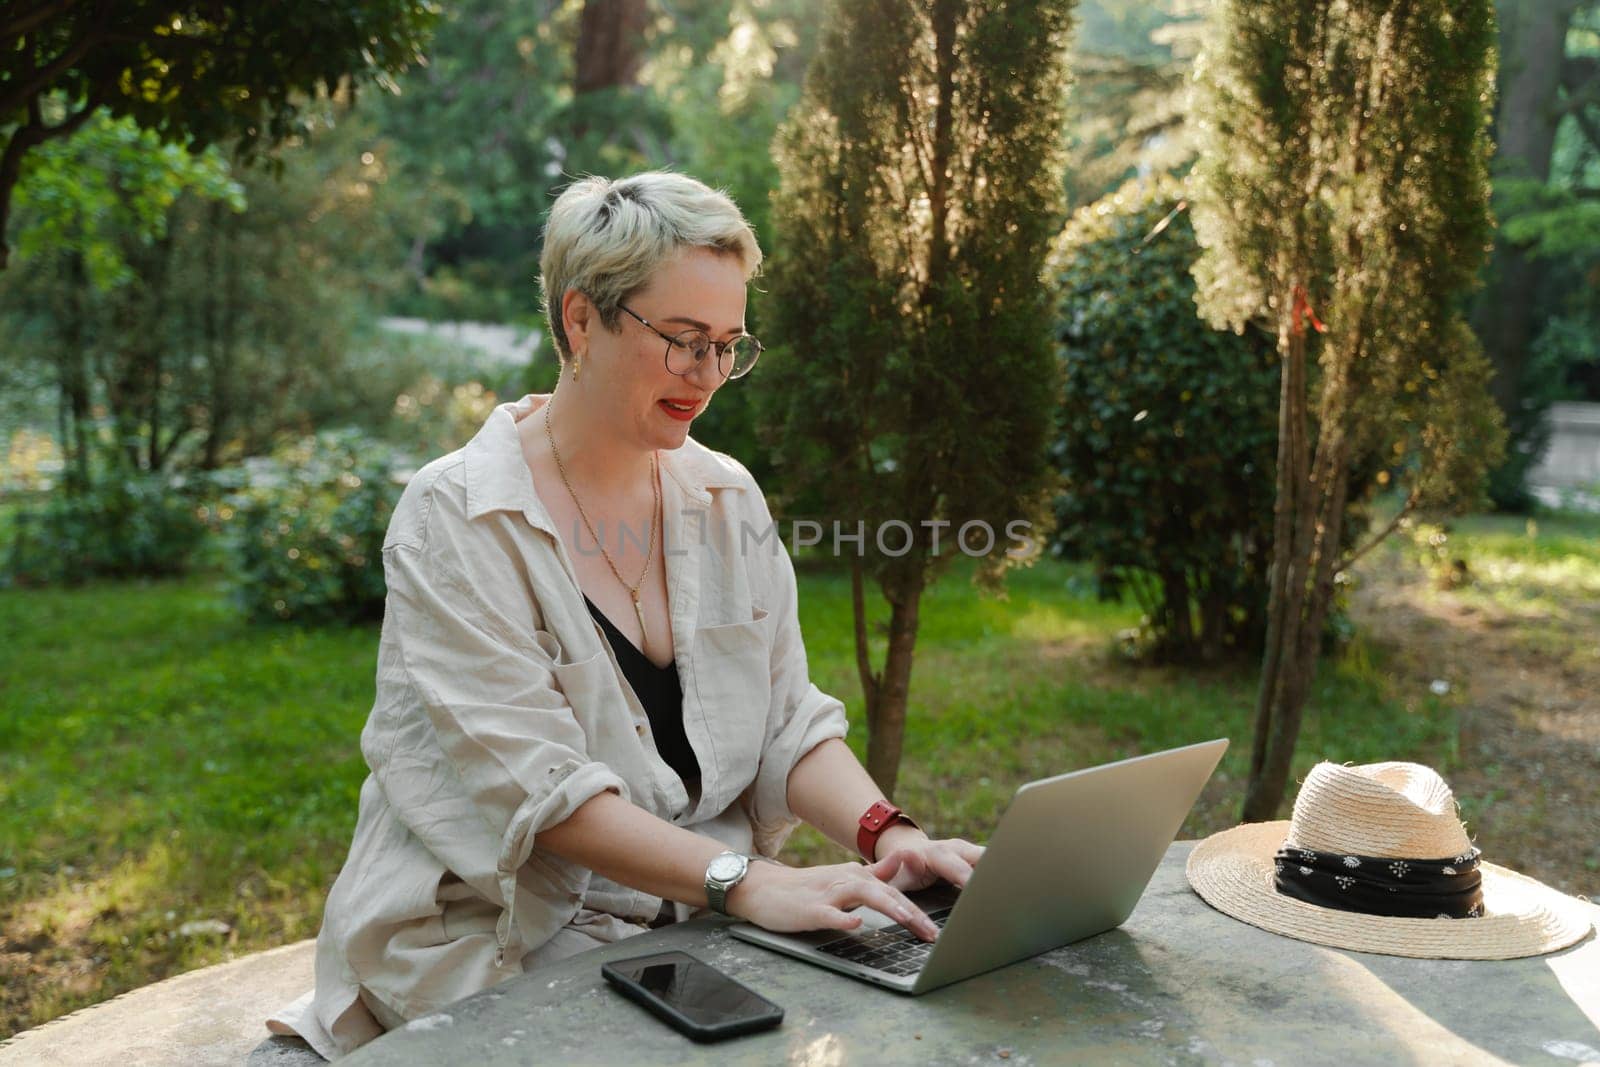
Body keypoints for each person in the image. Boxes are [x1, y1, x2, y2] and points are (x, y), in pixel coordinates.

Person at [266, 171, 983, 1059]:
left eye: (728, 345)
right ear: (580, 319)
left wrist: (890, 834)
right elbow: (547, 796)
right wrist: (747, 880)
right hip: (492, 939)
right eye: (683, 339)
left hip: (686, 929)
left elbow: (787, 722)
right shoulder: (455, 518)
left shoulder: (725, 496)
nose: (709, 375)